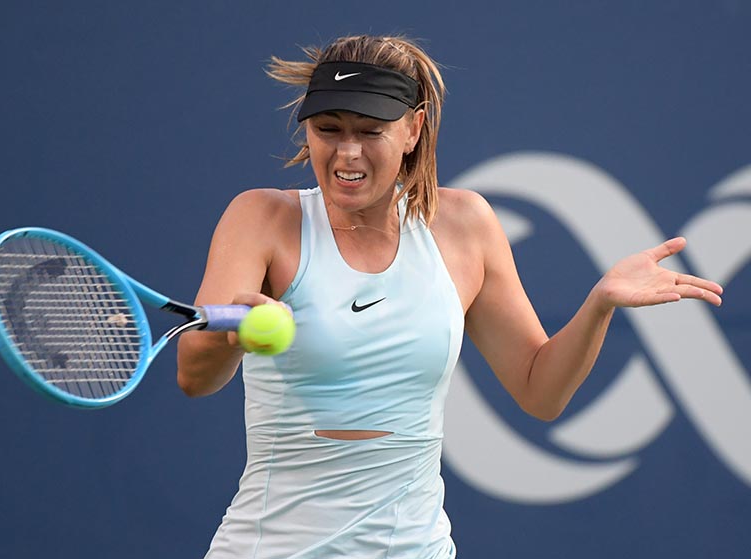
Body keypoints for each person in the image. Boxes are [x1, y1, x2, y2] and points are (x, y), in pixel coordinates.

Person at [176, 35, 723, 559]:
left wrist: (599, 303)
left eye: (370, 131)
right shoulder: (261, 219)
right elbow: (194, 377)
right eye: (328, 128)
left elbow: (540, 392)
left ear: (413, 129)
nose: (347, 152)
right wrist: (233, 336)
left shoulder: (465, 225)